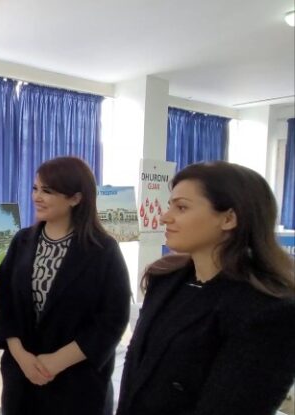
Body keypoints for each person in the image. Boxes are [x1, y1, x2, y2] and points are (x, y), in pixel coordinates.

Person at [116, 161, 295, 415]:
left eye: (181, 207)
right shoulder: (165, 278)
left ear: (228, 218)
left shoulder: (267, 310)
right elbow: (136, 369)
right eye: (170, 205)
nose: (165, 217)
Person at [0, 156, 131, 415]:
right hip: (21, 376)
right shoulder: (22, 241)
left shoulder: (103, 250)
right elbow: (4, 299)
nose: (37, 197)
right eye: (35, 188)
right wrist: (20, 355)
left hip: (76, 382)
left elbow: (112, 319)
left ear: (75, 198)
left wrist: (56, 362)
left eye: (47, 191)